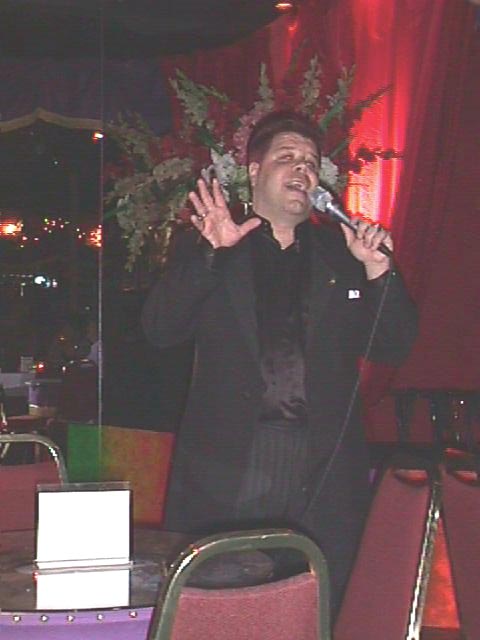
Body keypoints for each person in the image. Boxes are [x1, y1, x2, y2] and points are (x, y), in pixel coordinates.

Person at [142, 111, 418, 615]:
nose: (302, 169)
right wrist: (211, 254)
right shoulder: (216, 244)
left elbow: (393, 347)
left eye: (311, 162)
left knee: (314, 607)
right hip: (231, 464)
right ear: (253, 171)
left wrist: (379, 271)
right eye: (286, 157)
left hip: (323, 467)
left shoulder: (342, 254)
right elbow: (160, 330)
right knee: (225, 609)